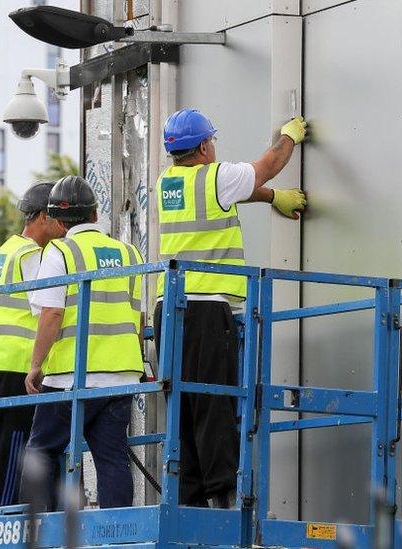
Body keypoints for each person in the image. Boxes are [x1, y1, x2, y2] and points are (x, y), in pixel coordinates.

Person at [153, 108, 308, 508]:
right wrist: (288, 135)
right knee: (213, 401)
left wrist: (273, 198)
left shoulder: (167, 182)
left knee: (183, 405)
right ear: (205, 145)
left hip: (168, 310)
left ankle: (187, 499)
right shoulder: (216, 175)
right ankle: (222, 494)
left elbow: (239, 190)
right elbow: (267, 166)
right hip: (206, 308)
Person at [24, 175, 146, 510]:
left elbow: (51, 314)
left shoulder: (60, 251)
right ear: (95, 214)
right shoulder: (129, 252)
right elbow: (139, 319)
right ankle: (117, 534)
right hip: (120, 375)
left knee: (41, 452)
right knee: (111, 458)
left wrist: (36, 366)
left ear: (58, 222)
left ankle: (44, 531)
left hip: (71, 377)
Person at [0, 181, 64, 507]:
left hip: (1, 363)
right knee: (16, 444)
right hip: (20, 365)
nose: (63, 229)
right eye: (59, 220)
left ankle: (6, 514)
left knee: (8, 442)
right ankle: (4, 519)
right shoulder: (32, 255)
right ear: (43, 216)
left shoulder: (7, 249)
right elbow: (44, 307)